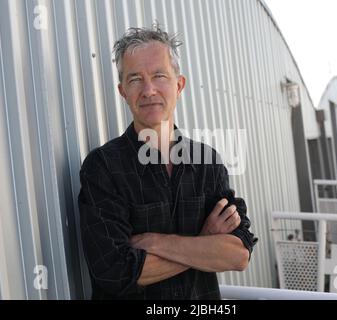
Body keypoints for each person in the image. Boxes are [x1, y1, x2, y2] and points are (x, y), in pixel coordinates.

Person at [78, 23, 257, 300]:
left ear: (179, 84)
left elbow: (239, 254)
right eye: (135, 79)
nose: (148, 90)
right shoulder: (103, 167)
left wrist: (156, 243)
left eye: (159, 75)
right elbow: (115, 273)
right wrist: (205, 242)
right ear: (122, 90)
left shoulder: (207, 163)